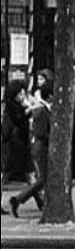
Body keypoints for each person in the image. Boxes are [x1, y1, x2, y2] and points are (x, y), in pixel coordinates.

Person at [9, 77, 53, 218]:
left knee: (38, 178)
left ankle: (40, 202)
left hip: (36, 146)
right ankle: (19, 199)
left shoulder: (41, 108)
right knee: (40, 178)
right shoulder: (40, 110)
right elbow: (41, 132)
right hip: (37, 147)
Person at [1, 80, 27, 215]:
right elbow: (19, 124)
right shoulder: (15, 109)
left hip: (11, 145)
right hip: (11, 146)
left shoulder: (9, 108)